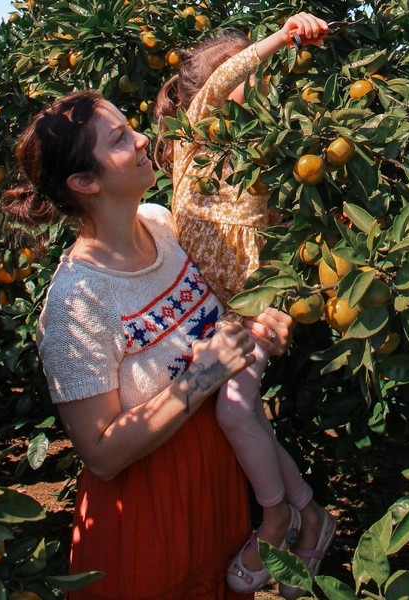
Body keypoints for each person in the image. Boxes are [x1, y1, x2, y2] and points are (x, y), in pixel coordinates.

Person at [0, 90, 296, 599]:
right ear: (85, 182)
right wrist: (201, 378)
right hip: (149, 507)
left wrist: (259, 327)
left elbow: (219, 320)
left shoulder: (161, 223)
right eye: (119, 139)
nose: (141, 139)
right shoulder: (77, 303)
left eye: (130, 126)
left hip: (218, 477)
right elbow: (100, 454)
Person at [154, 12, 337, 597]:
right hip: (196, 320)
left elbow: (283, 244)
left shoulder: (266, 167)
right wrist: (283, 38)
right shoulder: (194, 146)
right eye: (250, 91)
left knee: (236, 411)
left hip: (247, 317)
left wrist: (284, 301)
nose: (260, 104)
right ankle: (310, 513)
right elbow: (226, 76)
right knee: (244, 415)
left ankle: (276, 517)